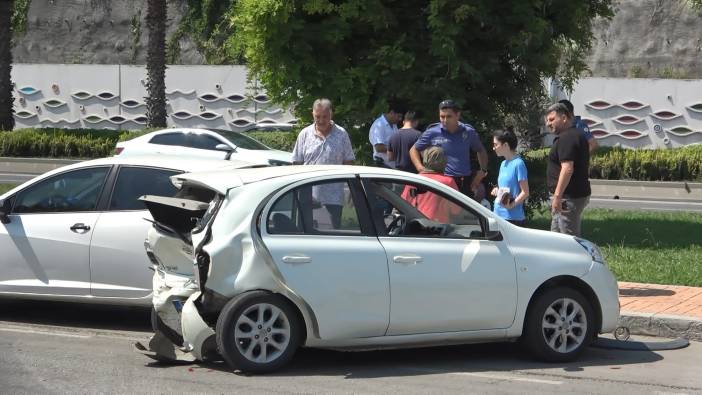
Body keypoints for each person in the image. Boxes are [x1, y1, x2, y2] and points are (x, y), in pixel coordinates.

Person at [291, 98, 355, 228]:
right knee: (305, 234)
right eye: (317, 116)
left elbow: (349, 162)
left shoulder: (341, 134)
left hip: (334, 197)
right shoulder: (305, 134)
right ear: (312, 114)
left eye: (324, 116)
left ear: (331, 114)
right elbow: (296, 163)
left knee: (332, 235)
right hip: (308, 195)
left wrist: (353, 191)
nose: (321, 120)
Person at [409, 99, 488, 200]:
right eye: (442, 116)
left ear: (458, 115)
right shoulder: (433, 132)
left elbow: (480, 150)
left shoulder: (468, 132)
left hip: (463, 182)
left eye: (449, 116)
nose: (445, 120)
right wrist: (420, 168)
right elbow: (414, 149)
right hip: (441, 182)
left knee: (462, 214)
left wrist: (482, 171)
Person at [544, 102, 591, 237]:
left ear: (564, 118)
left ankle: (578, 258)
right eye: (547, 120)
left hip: (568, 198)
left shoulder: (567, 138)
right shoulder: (575, 135)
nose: (548, 123)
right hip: (567, 197)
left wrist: (557, 197)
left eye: (552, 119)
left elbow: (567, 168)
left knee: (569, 240)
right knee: (557, 236)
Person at [401, 146, 459, 223]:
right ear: (444, 162)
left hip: (415, 224)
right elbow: (456, 210)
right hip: (438, 227)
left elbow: (403, 205)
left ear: (425, 159)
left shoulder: (414, 180)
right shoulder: (448, 182)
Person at [490, 129, 529, 226]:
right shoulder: (503, 164)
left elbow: (525, 192)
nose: (493, 148)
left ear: (506, 145)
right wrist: (496, 189)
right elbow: (504, 186)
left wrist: (511, 205)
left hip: (513, 218)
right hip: (497, 214)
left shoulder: (519, 164)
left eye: (496, 145)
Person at [369, 102, 404, 168]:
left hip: (392, 166)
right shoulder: (379, 125)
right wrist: (399, 149)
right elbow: (379, 147)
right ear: (392, 112)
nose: (400, 119)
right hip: (382, 166)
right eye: (398, 116)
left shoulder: (394, 125)